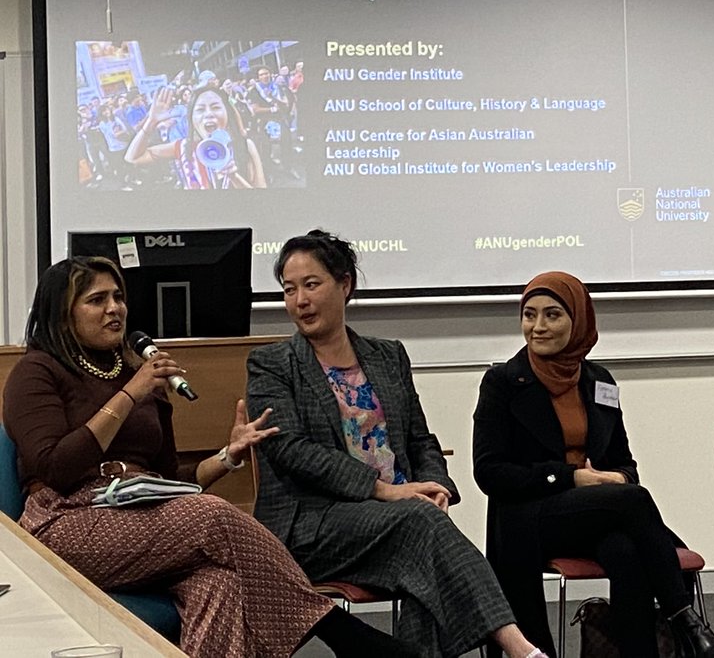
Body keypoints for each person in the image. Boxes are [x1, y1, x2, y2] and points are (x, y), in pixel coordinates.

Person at [2, 256, 417, 658]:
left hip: (140, 509)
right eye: (97, 300)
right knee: (213, 517)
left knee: (219, 585)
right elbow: (53, 467)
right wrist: (129, 395)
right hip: (66, 521)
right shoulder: (38, 371)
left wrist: (227, 456)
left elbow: (167, 480)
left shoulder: (138, 374)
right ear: (62, 313)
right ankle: (340, 632)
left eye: (119, 297)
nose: (115, 309)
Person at [246, 230, 547, 658]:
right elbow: (291, 450)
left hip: (395, 522)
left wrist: (435, 484)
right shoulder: (271, 364)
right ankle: (520, 648)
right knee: (419, 528)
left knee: (422, 560)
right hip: (312, 525)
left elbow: (420, 437)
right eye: (289, 290)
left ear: (344, 284)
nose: (299, 301)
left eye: (311, 285)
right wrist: (386, 491)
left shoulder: (388, 355)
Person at [473, 271, 714, 658]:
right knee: (632, 502)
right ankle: (687, 624)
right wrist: (571, 477)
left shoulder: (600, 381)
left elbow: (624, 465)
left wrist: (615, 477)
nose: (537, 327)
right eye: (529, 315)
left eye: (552, 315)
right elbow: (489, 472)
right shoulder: (502, 382)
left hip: (593, 513)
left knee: (625, 550)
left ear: (579, 319)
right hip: (528, 517)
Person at [125, 83, 266, 189]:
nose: (208, 114)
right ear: (192, 119)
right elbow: (133, 158)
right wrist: (151, 121)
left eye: (216, 107)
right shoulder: (183, 147)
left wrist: (233, 177)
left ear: (227, 113)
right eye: (200, 109)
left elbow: (261, 201)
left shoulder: (245, 146)